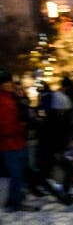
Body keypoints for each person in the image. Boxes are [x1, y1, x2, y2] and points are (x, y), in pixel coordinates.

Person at [0, 68, 30, 211]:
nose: (11, 84)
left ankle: (12, 200)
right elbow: (7, 126)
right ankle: (15, 203)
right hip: (10, 143)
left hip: (16, 142)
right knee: (16, 174)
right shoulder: (4, 101)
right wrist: (20, 127)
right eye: (8, 82)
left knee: (18, 174)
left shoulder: (10, 98)